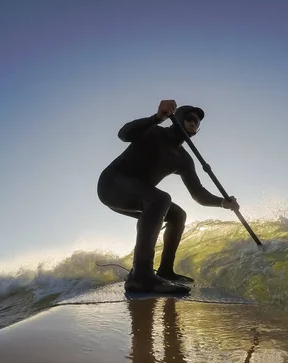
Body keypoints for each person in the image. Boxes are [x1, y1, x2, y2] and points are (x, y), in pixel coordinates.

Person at [97, 100, 240, 294]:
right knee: (161, 199)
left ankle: (165, 271)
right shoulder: (154, 132)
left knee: (178, 215)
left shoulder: (183, 159)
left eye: (197, 122)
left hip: (140, 194)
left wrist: (222, 202)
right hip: (111, 185)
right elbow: (124, 134)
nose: (193, 123)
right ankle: (141, 276)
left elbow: (198, 194)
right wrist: (156, 118)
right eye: (189, 119)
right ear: (177, 119)